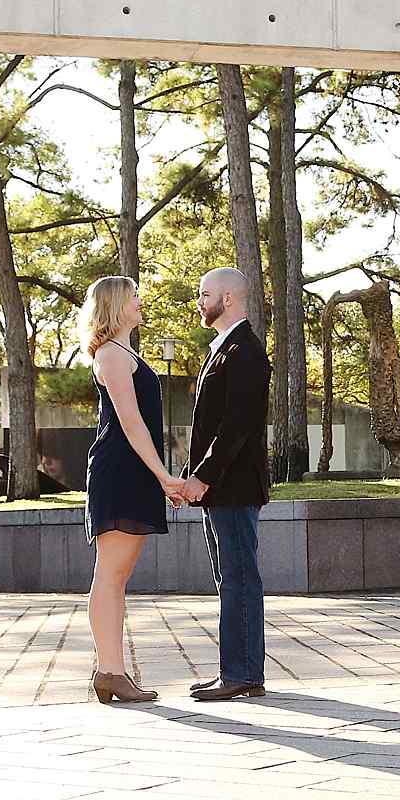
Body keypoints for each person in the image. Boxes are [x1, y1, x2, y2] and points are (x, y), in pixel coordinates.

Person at [80, 275, 185, 705]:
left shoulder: (122, 353)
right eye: (134, 296)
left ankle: (112, 670)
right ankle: (109, 671)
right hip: (121, 470)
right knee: (110, 575)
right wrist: (164, 475)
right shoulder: (111, 355)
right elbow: (130, 421)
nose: (141, 301)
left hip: (131, 470)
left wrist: (158, 475)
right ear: (116, 304)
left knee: (116, 576)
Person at [182, 267, 274, 701]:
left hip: (234, 487)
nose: (199, 302)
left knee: (239, 578)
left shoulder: (246, 353)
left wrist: (203, 477)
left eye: (205, 295)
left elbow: (237, 427)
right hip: (220, 487)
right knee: (230, 578)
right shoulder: (222, 349)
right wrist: (191, 477)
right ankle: (240, 671)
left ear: (230, 299)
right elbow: (211, 426)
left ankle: (240, 672)